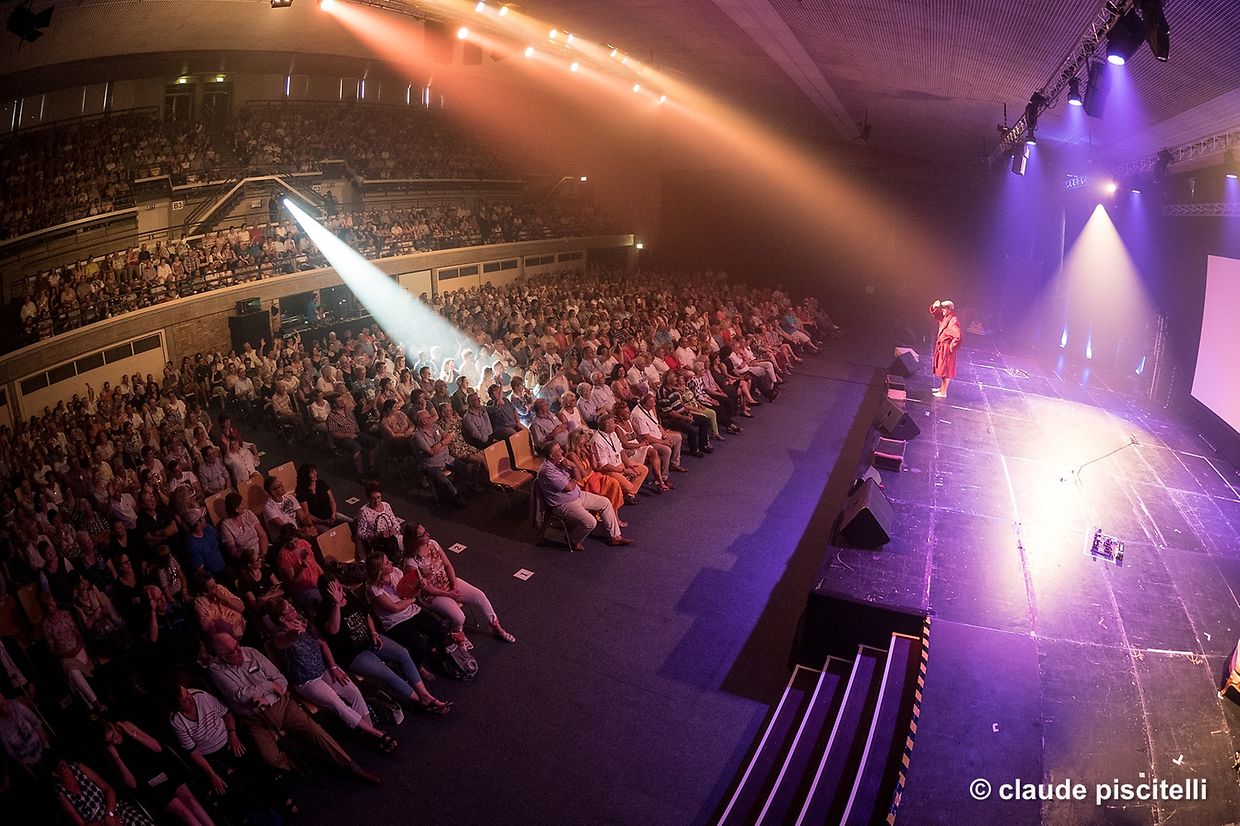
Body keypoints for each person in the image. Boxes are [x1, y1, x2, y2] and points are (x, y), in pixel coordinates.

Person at [205, 633, 378, 784]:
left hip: (282, 705)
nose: (238, 651)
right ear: (222, 656)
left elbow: (280, 680)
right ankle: (296, 766)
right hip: (255, 719)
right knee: (270, 759)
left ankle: (352, 766)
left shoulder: (252, 652)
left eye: (237, 645)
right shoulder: (216, 670)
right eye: (232, 651)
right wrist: (269, 685)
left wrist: (268, 696)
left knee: (316, 731)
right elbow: (239, 695)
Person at [266, 598, 397, 752]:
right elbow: (287, 640)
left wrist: (334, 667)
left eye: (291, 605)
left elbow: (323, 643)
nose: (293, 609)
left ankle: (368, 730)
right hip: (307, 681)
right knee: (337, 703)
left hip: (324, 669)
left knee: (353, 691)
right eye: (289, 609)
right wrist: (295, 633)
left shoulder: (303, 621)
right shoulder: (279, 636)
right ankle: (377, 734)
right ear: (281, 618)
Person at [317, 575, 449, 713]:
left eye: (339, 586)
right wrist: (336, 604)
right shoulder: (324, 609)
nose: (339, 591)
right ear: (327, 593)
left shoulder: (349, 596)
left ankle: (424, 694)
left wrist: (374, 633)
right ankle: (422, 700)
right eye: (334, 590)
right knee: (387, 674)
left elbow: (367, 615)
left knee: (403, 653)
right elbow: (333, 630)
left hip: (370, 639)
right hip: (354, 654)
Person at [403, 523, 515, 647]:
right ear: (414, 540)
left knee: (480, 596)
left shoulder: (433, 544)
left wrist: (454, 586)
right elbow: (425, 588)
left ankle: (496, 627)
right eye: (423, 534)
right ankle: (458, 634)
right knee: (459, 617)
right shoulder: (411, 562)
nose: (427, 534)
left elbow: (447, 565)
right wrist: (448, 594)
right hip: (432, 595)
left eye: (426, 531)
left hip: (447, 582)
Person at [97, 716, 216, 826]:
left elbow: (157, 747)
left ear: (113, 727)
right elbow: (132, 784)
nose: (115, 741)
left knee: (191, 801)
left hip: (162, 768)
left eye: (114, 735)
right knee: (184, 812)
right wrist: (116, 758)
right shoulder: (110, 752)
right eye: (109, 741)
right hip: (150, 784)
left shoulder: (126, 726)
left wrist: (131, 734)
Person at [534, 442, 631, 551]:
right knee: (591, 522)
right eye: (559, 450)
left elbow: (578, 476)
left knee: (605, 502)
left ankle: (615, 537)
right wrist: (573, 479)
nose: (562, 451)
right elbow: (569, 487)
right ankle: (572, 540)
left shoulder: (560, 462)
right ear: (552, 456)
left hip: (578, 495)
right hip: (564, 503)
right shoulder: (547, 471)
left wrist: (573, 465)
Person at [52, 755, 156, 826]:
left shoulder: (78, 767)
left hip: (113, 809)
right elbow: (81, 824)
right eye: (60, 767)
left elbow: (108, 789)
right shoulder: (60, 791)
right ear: (55, 774)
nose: (64, 768)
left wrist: (110, 815)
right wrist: (106, 823)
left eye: (64, 764)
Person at [590, 413, 650, 503]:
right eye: (613, 423)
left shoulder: (613, 433)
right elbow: (604, 466)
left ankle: (629, 495)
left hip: (620, 464)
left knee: (643, 469)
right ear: (607, 426)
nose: (616, 425)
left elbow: (621, 451)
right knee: (630, 487)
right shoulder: (597, 440)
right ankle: (628, 493)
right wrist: (624, 471)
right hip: (610, 470)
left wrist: (629, 465)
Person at [929, 299, 962, 398]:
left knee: (946, 371)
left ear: (949, 309)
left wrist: (951, 348)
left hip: (946, 349)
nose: (942, 310)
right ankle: (941, 389)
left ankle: (943, 392)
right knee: (942, 370)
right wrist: (934, 307)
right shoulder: (946, 317)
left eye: (944, 308)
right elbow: (938, 315)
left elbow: (958, 336)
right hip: (942, 347)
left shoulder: (953, 320)